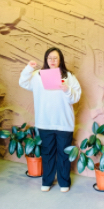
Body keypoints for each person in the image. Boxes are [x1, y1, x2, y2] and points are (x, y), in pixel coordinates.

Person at [19, 47, 82, 192]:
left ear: (60, 60)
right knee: (47, 153)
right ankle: (47, 181)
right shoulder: (37, 75)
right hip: (45, 121)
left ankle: (64, 182)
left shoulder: (68, 76)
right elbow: (23, 82)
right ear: (46, 59)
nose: (52, 60)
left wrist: (67, 89)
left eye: (55, 58)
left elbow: (76, 97)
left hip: (64, 122)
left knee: (64, 154)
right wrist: (29, 68)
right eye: (50, 58)